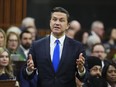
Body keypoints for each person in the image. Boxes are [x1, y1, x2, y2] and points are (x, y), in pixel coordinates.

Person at [23, 7, 87, 87]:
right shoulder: (37, 45)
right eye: (54, 19)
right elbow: (26, 75)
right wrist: (29, 70)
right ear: (50, 22)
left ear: (67, 25)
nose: (57, 23)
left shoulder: (77, 46)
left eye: (61, 20)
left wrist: (81, 70)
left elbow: (84, 77)